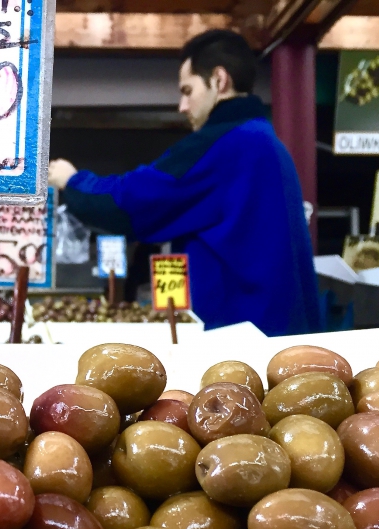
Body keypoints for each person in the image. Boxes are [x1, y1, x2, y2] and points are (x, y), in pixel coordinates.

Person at [48, 30, 321, 336]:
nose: (182, 105)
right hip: (280, 331)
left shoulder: (224, 145)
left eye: (187, 90)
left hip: (242, 339)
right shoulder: (267, 142)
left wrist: (72, 181)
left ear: (219, 81)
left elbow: (131, 203)